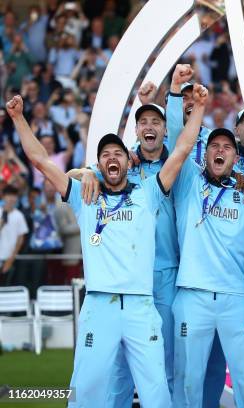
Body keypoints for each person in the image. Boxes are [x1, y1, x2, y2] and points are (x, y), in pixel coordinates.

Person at [6, 81, 207, 405]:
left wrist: (198, 108)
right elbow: (42, 162)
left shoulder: (148, 193)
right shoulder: (85, 197)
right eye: (105, 155)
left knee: (157, 395)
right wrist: (18, 119)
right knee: (87, 392)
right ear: (99, 166)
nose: (113, 158)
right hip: (100, 307)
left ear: (130, 162)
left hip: (141, 307)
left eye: (118, 153)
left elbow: (182, 150)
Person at [67, 101, 187, 405]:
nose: (149, 126)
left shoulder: (172, 168)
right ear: (136, 131)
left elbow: (184, 149)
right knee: (118, 371)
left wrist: (186, 101)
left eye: (155, 121)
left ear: (163, 129)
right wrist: (89, 172)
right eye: (143, 121)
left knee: (162, 367)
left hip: (165, 275)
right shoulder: (122, 166)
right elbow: (70, 174)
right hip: (125, 283)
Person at [171, 127, 244, 407]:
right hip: (193, 294)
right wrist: (178, 93)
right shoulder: (189, 182)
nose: (220, 150)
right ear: (205, 154)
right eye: (214, 146)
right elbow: (180, 140)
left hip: (236, 298)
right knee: (188, 382)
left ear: (236, 158)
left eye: (227, 147)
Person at [0, 185, 29, 286]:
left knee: (9, 289)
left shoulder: (19, 215)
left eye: (14, 195)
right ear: (3, 196)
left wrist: (11, 259)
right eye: (9, 195)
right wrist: (3, 219)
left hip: (10, 259)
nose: (11, 198)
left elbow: (20, 240)